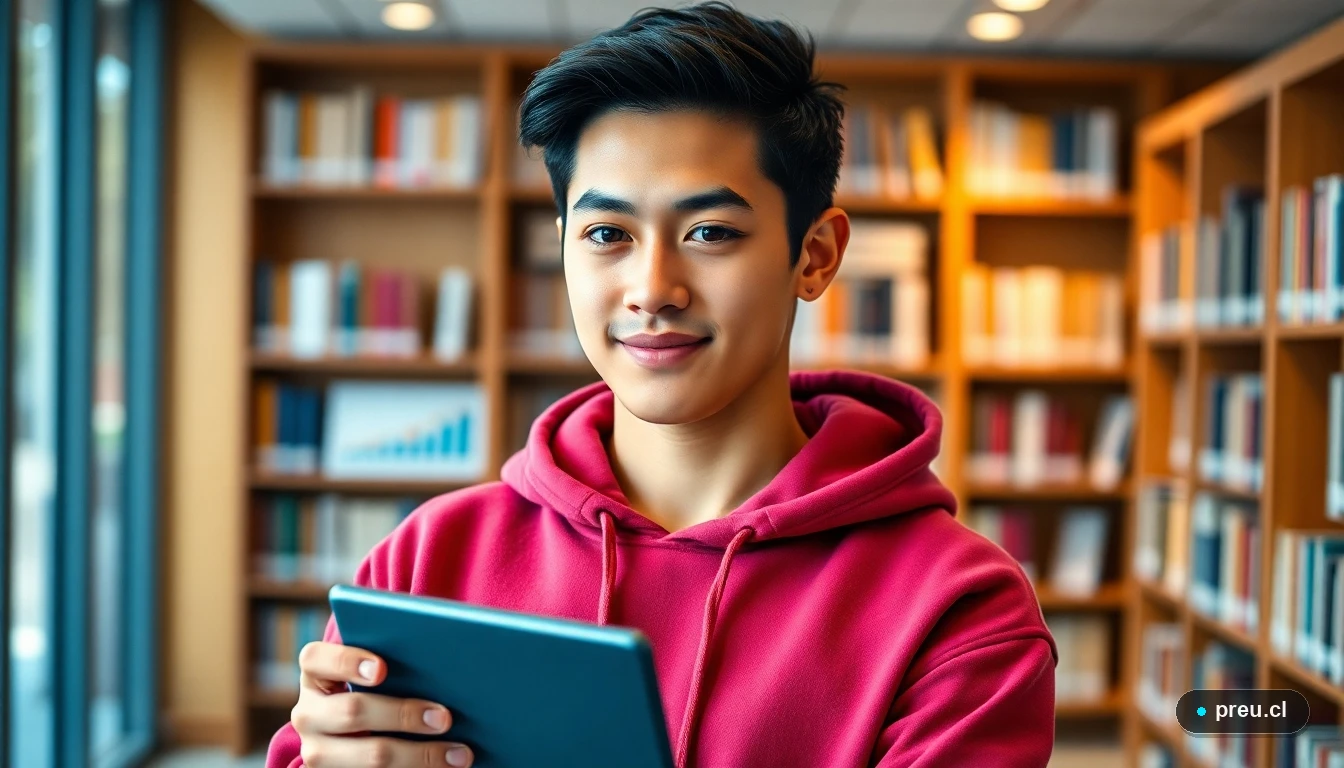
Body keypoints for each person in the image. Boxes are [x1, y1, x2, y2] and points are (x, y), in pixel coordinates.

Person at [266, 3, 1057, 766]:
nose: (652, 288)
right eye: (607, 234)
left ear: (814, 256)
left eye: (710, 233)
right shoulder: (427, 562)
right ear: (565, 251)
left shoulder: (958, 609)